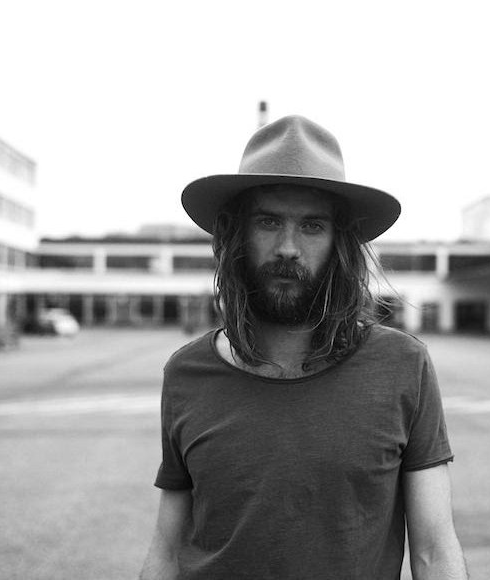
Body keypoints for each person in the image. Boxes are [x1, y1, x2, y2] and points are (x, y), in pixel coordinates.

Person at [139, 115, 468, 579]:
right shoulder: (186, 372)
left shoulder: (402, 365)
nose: (288, 248)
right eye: (268, 221)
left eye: (312, 225)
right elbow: (168, 550)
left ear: (339, 243)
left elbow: (434, 551)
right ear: (237, 234)